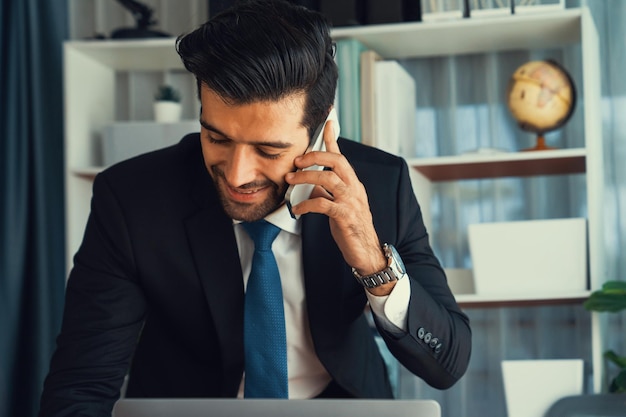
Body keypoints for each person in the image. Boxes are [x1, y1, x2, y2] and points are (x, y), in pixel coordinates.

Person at [39, 0, 471, 415]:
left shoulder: (380, 184)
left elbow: (447, 364)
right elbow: (82, 384)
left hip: (341, 406)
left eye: (269, 149)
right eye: (217, 138)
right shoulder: (132, 197)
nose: (237, 175)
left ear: (323, 130)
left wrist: (373, 260)